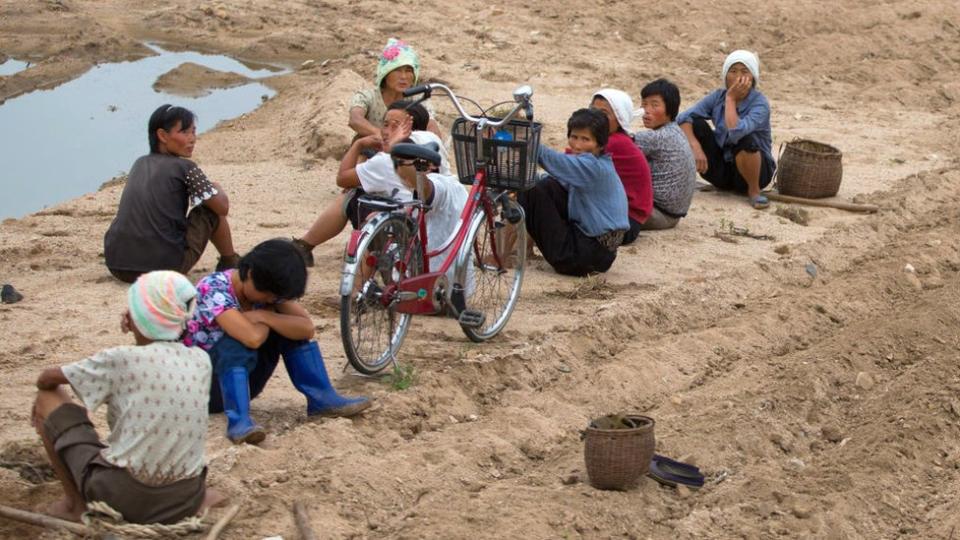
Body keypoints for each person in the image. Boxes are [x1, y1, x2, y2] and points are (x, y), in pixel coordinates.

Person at [30, 271, 221, 524]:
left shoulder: (119, 359)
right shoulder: (201, 360)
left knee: (47, 398)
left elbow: (46, 379)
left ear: (135, 318)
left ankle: (75, 505)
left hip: (121, 495)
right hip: (185, 498)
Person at [183, 239, 370, 444]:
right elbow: (251, 338)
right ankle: (238, 421)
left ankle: (322, 399)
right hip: (205, 388)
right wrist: (271, 315)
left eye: (276, 299)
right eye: (269, 296)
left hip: (245, 382)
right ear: (251, 274)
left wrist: (266, 316)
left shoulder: (269, 294)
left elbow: (306, 329)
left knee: (289, 330)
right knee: (236, 342)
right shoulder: (214, 288)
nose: (272, 301)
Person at [292, 101, 449, 267]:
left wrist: (359, 145)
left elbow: (342, 179)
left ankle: (306, 245)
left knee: (352, 196)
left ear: (409, 129)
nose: (386, 132)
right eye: (385, 125)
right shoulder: (433, 141)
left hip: (408, 230)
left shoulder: (384, 161)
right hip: (438, 224)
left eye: (394, 126)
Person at [104, 105, 240, 283]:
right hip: (162, 270)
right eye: (184, 132)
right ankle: (230, 262)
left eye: (193, 132)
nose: (192, 139)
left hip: (117, 265)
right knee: (209, 210)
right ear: (162, 136)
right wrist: (217, 187)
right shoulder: (185, 167)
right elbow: (222, 208)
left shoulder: (139, 163)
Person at [516, 108, 629, 276]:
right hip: (598, 251)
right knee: (546, 185)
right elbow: (554, 178)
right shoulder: (596, 164)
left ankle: (557, 256)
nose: (577, 145)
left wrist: (526, 142)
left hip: (588, 254)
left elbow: (556, 161)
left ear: (600, 144)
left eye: (586, 139)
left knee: (530, 192)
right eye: (574, 137)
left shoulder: (593, 167)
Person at [677, 50, 776, 209]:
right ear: (725, 76)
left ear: (753, 77)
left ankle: (754, 192)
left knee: (745, 139)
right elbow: (683, 118)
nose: (738, 77)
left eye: (744, 72)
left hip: (755, 174)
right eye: (733, 71)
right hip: (722, 171)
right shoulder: (717, 97)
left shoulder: (760, 103)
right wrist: (696, 147)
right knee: (696, 124)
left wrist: (731, 99)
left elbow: (736, 131)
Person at [590, 89, 652, 244]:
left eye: (604, 113)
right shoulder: (608, 138)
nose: (596, 117)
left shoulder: (614, 142)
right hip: (619, 215)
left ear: (619, 118)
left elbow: (570, 163)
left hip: (624, 223)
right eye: (592, 111)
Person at [633, 79, 698, 229]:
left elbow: (614, 150)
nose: (646, 110)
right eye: (644, 104)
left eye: (654, 105)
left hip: (657, 214)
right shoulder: (675, 130)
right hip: (672, 216)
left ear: (669, 109)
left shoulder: (655, 137)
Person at [348, 38, 442, 141]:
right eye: (397, 70)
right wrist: (384, 137)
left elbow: (432, 126)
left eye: (408, 71)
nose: (403, 76)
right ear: (385, 73)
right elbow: (355, 119)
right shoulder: (368, 97)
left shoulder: (418, 98)